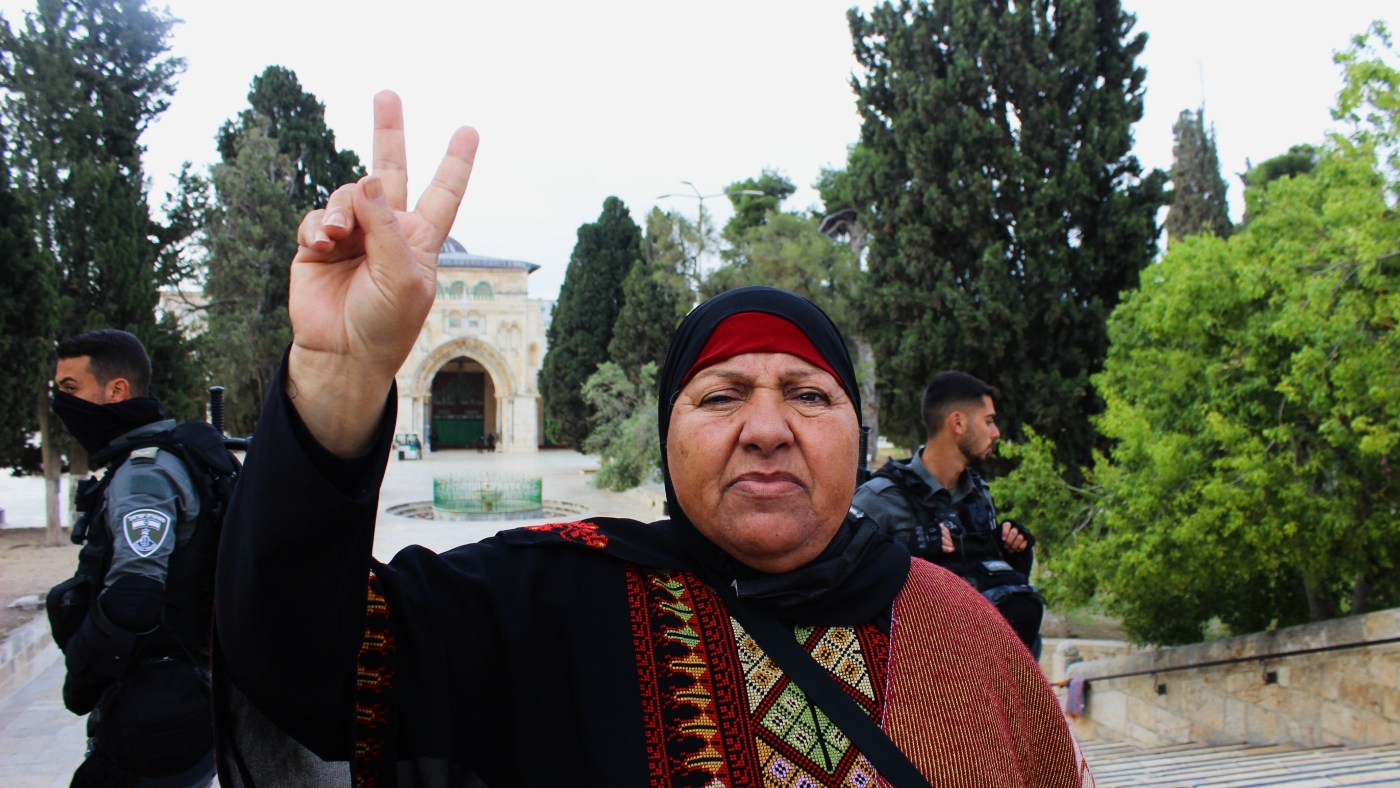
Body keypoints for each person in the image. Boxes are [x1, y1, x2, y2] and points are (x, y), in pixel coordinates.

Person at [213, 92, 1091, 788]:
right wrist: (341, 379)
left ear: (856, 435)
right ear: (667, 438)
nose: (766, 429)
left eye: (807, 394)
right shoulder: (546, 606)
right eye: (720, 396)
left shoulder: (963, 634)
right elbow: (297, 657)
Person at [46, 330, 218, 788]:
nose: (62, 403)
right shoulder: (161, 458)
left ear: (116, 390)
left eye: (70, 389)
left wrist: (82, 674)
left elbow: (134, 593)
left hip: (157, 711)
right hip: (179, 699)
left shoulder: (144, 473)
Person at [852, 372, 1043, 655]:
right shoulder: (878, 498)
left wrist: (1013, 552)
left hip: (982, 662)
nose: (996, 432)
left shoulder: (978, 493)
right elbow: (840, 581)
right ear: (958, 422)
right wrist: (903, 552)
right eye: (988, 421)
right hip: (913, 670)